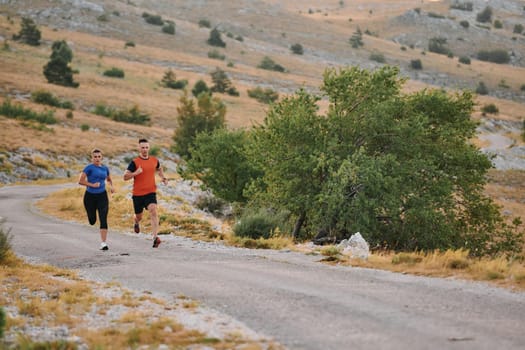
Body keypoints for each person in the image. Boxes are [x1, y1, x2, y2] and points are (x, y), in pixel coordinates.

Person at [124, 138, 168, 248]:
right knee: (139, 216)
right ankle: (136, 222)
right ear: (139, 148)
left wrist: (163, 177)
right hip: (138, 194)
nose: (145, 149)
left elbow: (159, 168)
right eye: (142, 147)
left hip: (150, 192)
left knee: (153, 211)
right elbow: (125, 177)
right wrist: (136, 173)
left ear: (149, 148)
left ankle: (155, 237)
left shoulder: (154, 160)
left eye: (146, 147)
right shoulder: (134, 162)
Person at [78, 148, 114, 250]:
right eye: (95, 157)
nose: (97, 159)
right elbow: (80, 181)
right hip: (90, 197)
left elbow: (109, 179)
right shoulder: (89, 168)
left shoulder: (105, 168)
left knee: (103, 218)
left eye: (99, 157)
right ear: (92, 158)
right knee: (92, 220)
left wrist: (111, 186)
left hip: (102, 196)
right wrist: (92, 185)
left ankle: (103, 243)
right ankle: (91, 216)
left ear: (101, 157)